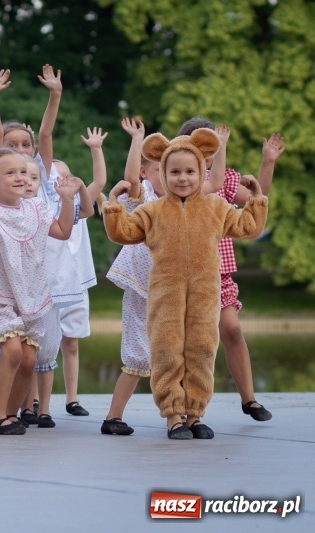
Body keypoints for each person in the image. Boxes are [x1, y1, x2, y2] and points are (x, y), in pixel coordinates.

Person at [102, 129, 268, 440]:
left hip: (205, 295)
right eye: (174, 172)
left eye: (190, 171)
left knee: (203, 350)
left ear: (203, 172)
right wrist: (112, 204)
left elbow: (248, 226)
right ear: (163, 174)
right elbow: (122, 232)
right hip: (166, 296)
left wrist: (257, 198)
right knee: (167, 352)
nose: (183, 178)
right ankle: (173, 416)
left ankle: (195, 414)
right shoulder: (152, 211)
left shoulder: (215, 208)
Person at [0, 65, 97, 423]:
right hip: (3, 287)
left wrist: (56, 94)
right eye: (10, 148)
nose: (20, 155)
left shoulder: (38, 191)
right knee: (11, 353)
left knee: (33, 357)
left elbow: (46, 136)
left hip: (37, 285)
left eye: (25, 148)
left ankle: (21, 412)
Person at [177, 116, 285, 422]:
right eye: (201, 144)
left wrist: (268, 163)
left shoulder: (225, 177)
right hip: (186, 273)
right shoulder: (180, 176)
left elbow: (256, 200)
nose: (208, 150)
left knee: (233, 330)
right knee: (192, 343)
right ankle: (187, 411)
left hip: (218, 271)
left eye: (212, 144)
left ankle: (249, 399)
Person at [0, 148, 78, 435]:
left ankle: (10, 415)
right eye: (10, 173)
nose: (20, 178)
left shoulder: (37, 208)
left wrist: (66, 199)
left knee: (29, 360)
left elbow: (63, 230)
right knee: (12, 351)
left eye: (24, 172)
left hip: (32, 294)